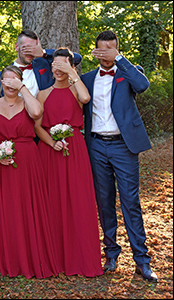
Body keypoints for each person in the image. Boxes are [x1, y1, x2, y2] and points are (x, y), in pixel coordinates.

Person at [81, 30, 157, 282]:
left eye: (110, 49)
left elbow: (143, 85)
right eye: (101, 49)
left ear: (116, 49)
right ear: (95, 51)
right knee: (104, 203)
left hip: (124, 146)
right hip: (96, 147)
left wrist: (120, 59)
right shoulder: (88, 78)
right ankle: (111, 254)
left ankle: (142, 260)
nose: (106, 54)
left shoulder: (127, 72)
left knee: (130, 202)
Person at [0, 65, 60, 278]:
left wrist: (23, 89)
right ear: (0, 83)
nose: (10, 84)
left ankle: (30, 255)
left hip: (27, 161)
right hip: (0, 161)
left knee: (27, 207)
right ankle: (7, 256)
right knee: (5, 208)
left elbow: (38, 113)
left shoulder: (28, 104)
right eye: (6, 80)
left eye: (14, 80)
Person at [34, 48, 103, 277]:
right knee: (53, 201)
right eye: (56, 64)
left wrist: (72, 73)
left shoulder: (76, 90)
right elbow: (37, 126)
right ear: (51, 67)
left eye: (64, 65)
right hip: (50, 151)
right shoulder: (42, 94)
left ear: (71, 67)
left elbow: (85, 99)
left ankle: (80, 257)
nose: (59, 69)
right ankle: (56, 257)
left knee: (78, 201)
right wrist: (51, 142)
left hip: (75, 150)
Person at [0, 30, 82, 100]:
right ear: (17, 47)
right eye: (26, 48)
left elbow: (77, 58)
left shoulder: (44, 64)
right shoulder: (0, 76)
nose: (30, 52)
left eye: (33, 49)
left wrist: (43, 53)